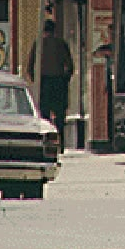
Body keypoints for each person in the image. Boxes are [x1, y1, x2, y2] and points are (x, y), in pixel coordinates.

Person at [27, 19, 73, 151]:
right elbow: (69, 65)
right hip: (58, 82)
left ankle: (47, 143)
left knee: (45, 115)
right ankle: (61, 143)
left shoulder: (38, 44)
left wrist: (36, 81)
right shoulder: (61, 44)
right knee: (59, 116)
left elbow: (30, 66)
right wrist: (65, 80)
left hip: (44, 82)